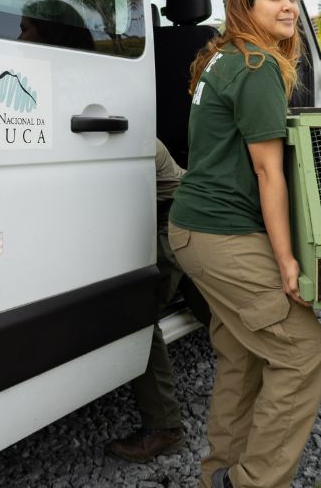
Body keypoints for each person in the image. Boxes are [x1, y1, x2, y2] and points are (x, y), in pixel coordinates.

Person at [167, 0, 321, 488]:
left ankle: (219, 474)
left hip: (194, 228)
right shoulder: (258, 66)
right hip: (222, 234)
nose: (287, 7)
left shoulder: (222, 57)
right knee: (303, 354)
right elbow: (268, 171)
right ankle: (255, 481)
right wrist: (287, 262)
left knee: (241, 355)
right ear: (246, 6)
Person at [106, 139, 212, 462]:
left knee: (139, 318)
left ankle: (165, 429)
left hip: (174, 220)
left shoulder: (134, 140)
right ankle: (262, 371)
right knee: (210, 306)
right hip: (188, 214)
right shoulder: (134, 130)